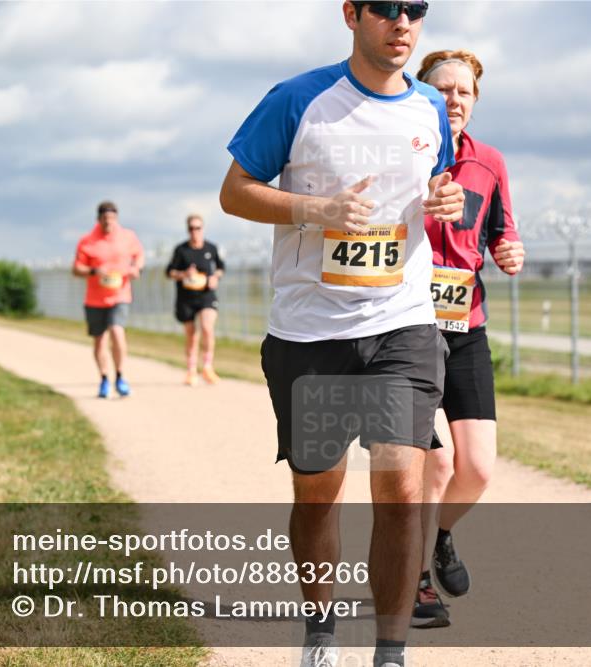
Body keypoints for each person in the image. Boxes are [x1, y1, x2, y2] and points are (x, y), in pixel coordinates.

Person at [220, 2, 464, 665]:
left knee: (401, 486)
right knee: (318, 491)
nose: (402, 22)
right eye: (386, 8)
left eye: (415, 9)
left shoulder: (429, 109)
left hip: (402, 325)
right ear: (352, 14)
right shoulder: (299, 99)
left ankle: (390, 649)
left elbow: (433, 182)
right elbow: (235, 191)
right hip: (310, 332)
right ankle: (321, 630)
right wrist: (316, 209)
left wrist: (447, 197)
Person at [409, 49, 525, 629]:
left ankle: (440, 539)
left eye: (465, 91)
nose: (454, 99)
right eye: (443, 89)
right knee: (436, 462)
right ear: (421, 91)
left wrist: (510, 252)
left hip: (467, 325)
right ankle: (415, 583)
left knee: (476, 467)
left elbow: (505, 234)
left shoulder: (491, 162)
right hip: (404, 326)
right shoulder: (400, 151)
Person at [72, 201, 145, 399]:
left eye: (112, 219)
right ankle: (104, 378)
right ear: (98, 219)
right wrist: (95, 270)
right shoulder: (87, 241)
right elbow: (76, 269)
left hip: (120, 294)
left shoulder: (128, 237)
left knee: (117, 332)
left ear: (116, 219)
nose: (108, 223)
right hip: (95, 298)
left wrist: (135, 268)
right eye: (105, 219)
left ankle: (120, 376)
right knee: (99, 340)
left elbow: (139, 256)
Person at [166, 214, 225, 386]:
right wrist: (183, 274)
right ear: (187, 230)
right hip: (186, 297)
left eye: (197, 228)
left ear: (203, 229)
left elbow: (221, 268)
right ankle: (191, 370)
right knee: (192, 335)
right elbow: (169, 272)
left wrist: (215, 277)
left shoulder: (211, 248)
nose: (194, 231)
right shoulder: (181, 250)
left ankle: (207, 367)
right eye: (191, 228)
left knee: (207, 327)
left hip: (206, 295)